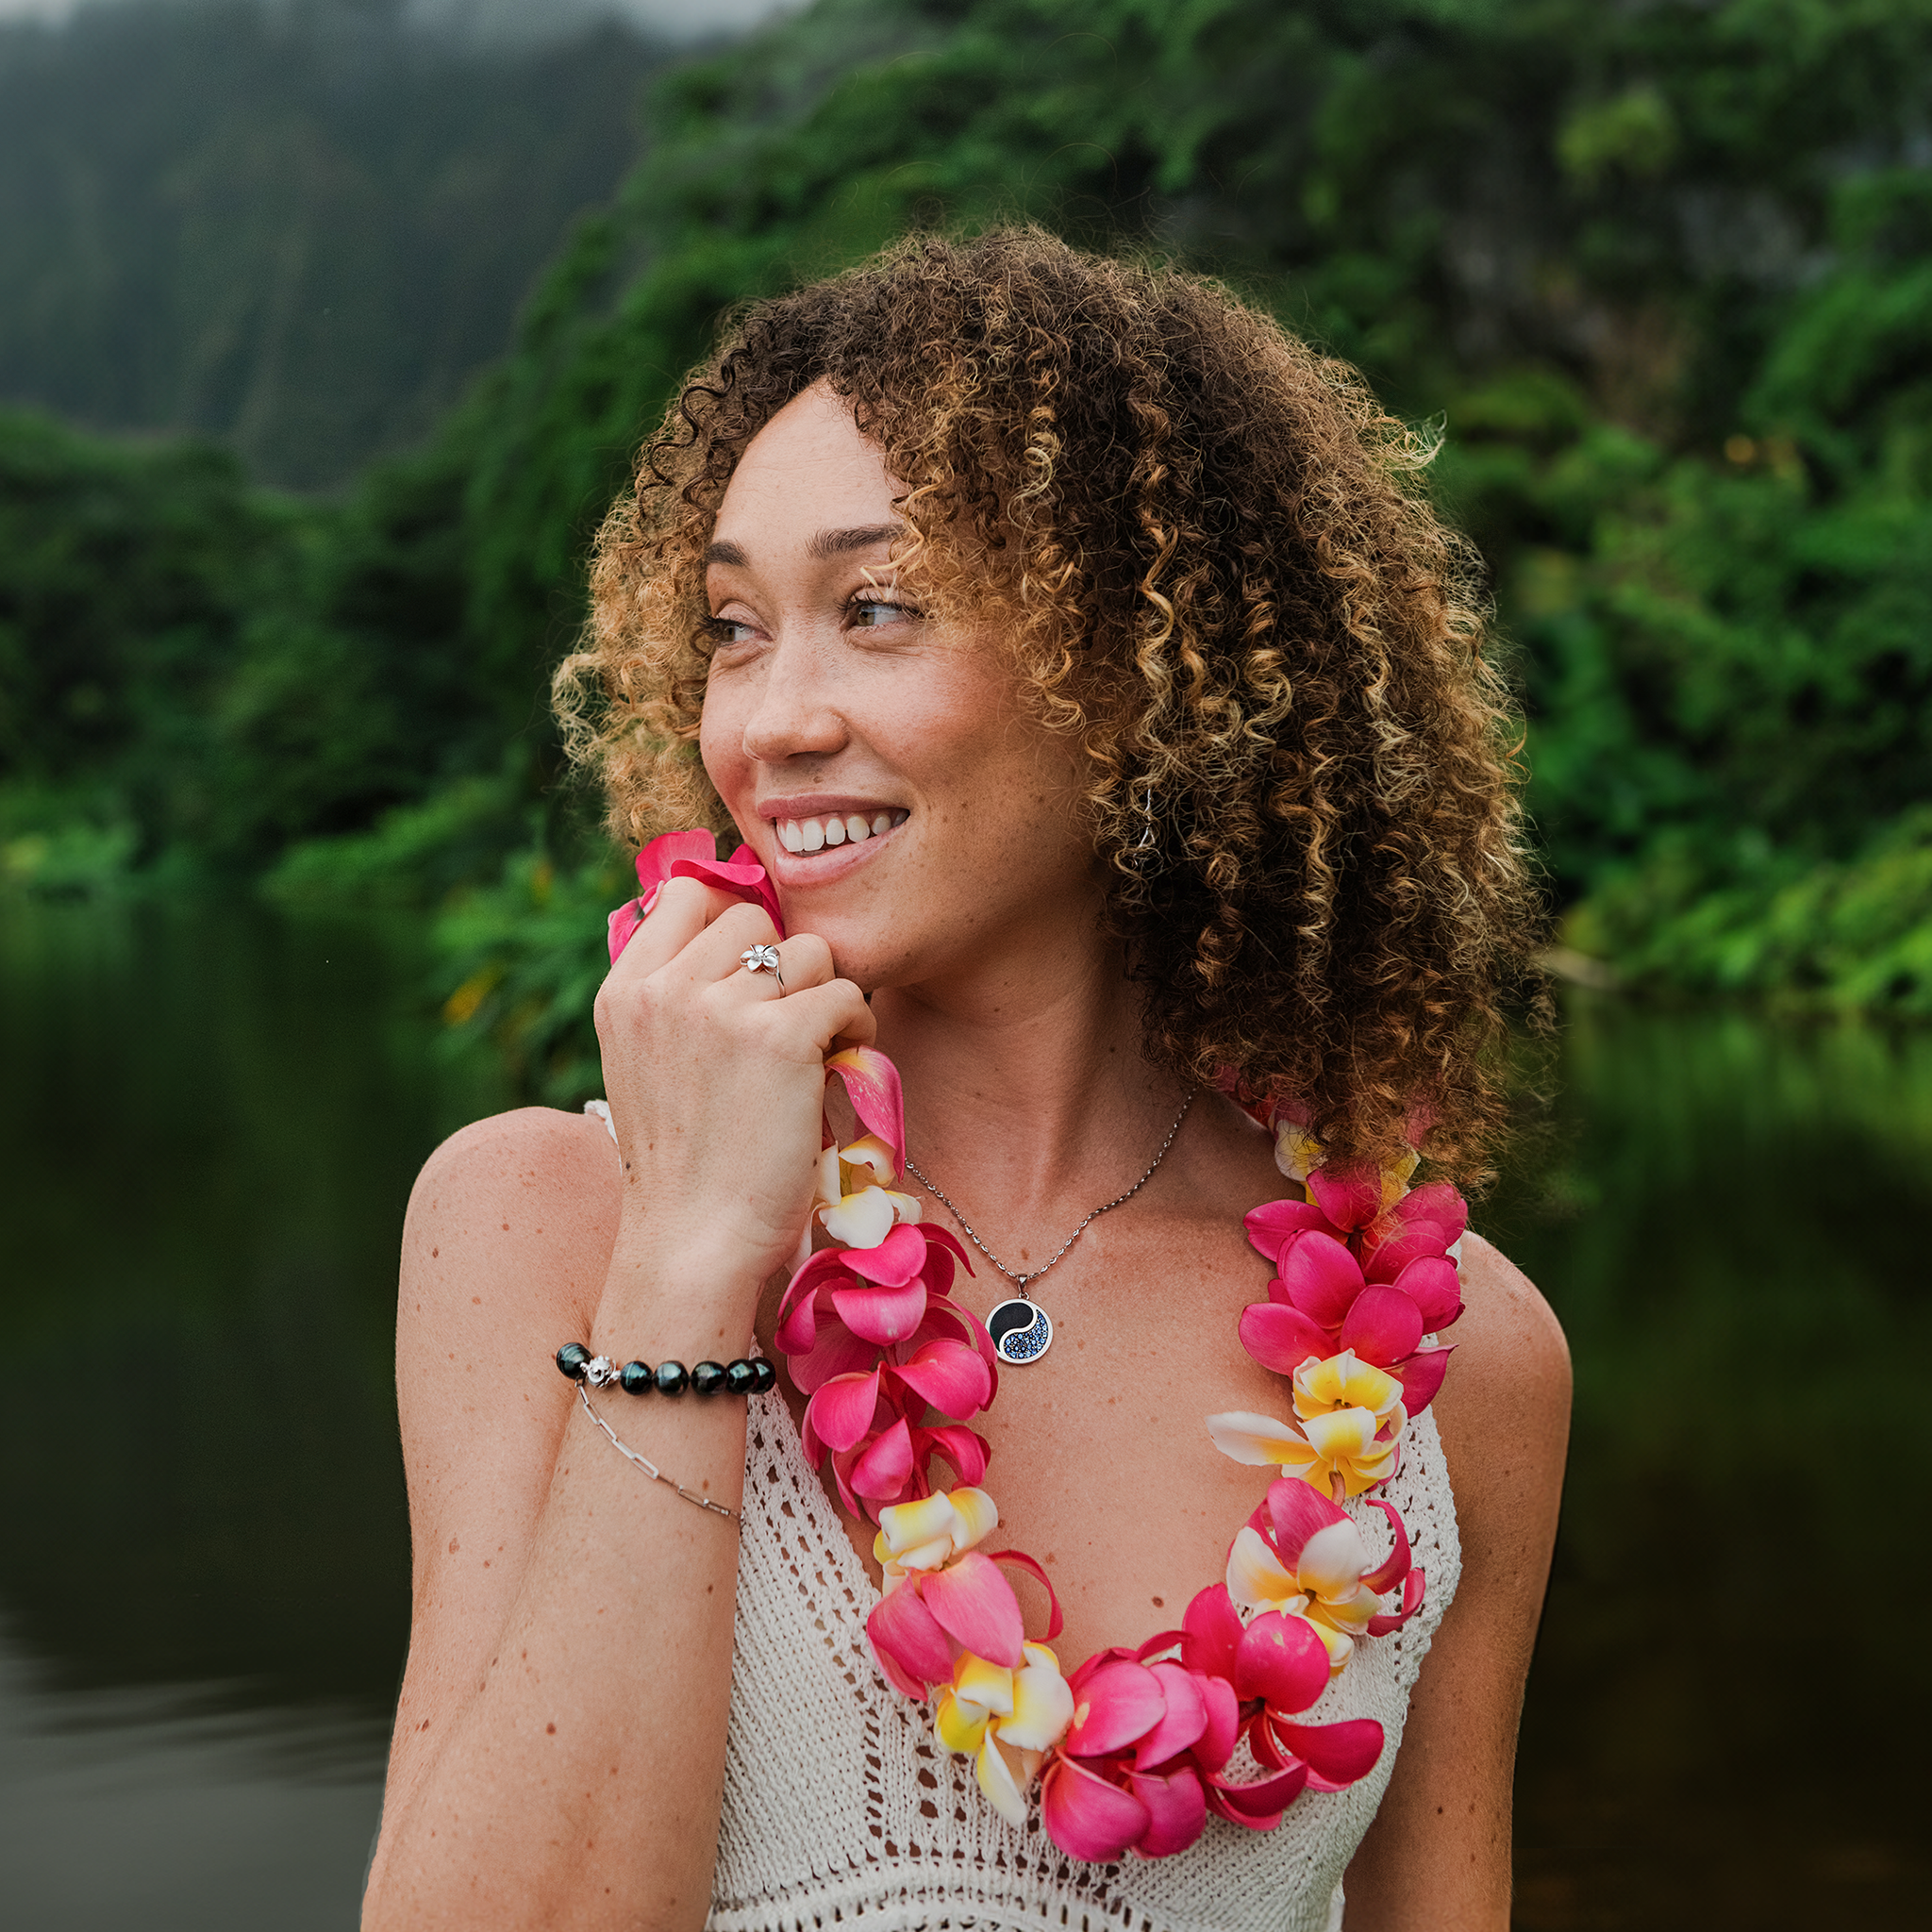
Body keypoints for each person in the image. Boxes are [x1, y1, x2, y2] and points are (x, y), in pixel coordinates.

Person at [360, 229, 1571, 1932]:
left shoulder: (1461, 1367)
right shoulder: (538, 1224)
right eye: (732, 628)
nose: (769, 723)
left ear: (1146, 673)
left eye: (877, 609)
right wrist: (691, 1259)